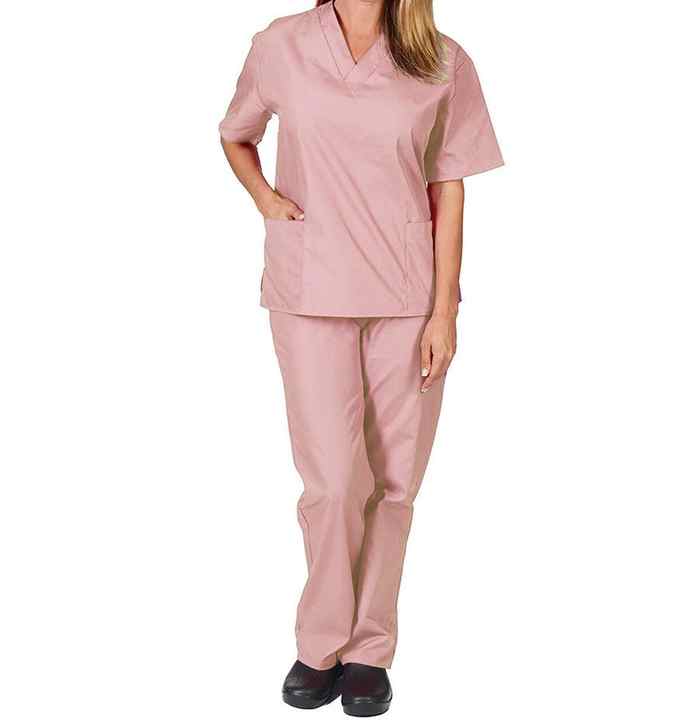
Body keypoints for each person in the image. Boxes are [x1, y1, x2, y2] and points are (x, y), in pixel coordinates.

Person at [219, 0, 502, 714]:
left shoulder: (440, 58)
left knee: (395, 480)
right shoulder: (281, 44)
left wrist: (444, 310)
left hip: (407, 295)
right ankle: (320, 643)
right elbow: (236, 133)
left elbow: (448, 187)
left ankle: (370, 650)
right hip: (310, 286)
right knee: (333, 481)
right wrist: (266, 200)